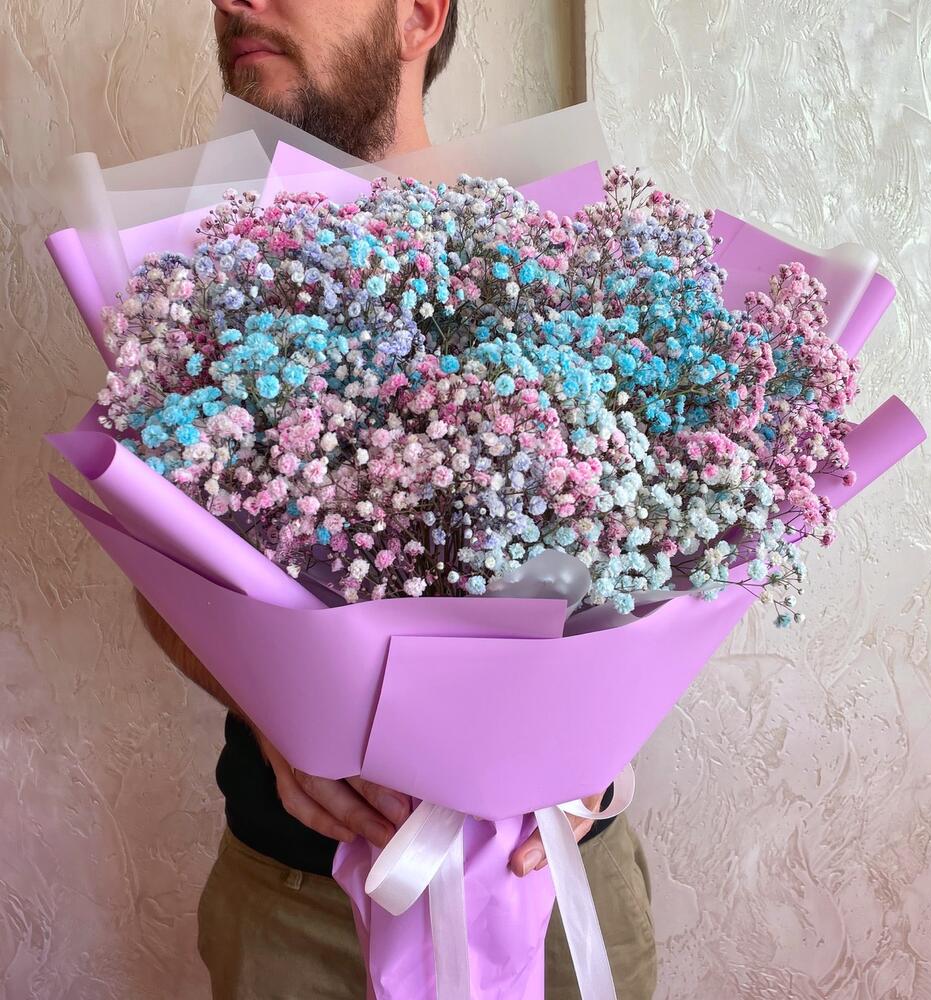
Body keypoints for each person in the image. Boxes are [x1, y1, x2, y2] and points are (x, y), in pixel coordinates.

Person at [134, 1, 658, 996]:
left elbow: (679, 549)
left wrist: (602, 754)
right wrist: (273, 710)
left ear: (419, 14)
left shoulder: (568, 256)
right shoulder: (201, 285)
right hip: (298, 901)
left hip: (552, 883)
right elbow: (161, 583)